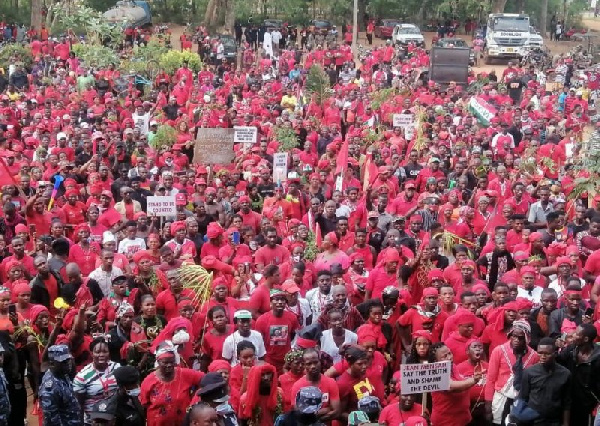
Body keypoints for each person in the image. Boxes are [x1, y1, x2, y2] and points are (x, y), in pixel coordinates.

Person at [140, 341, 204, 426]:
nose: (169, 365)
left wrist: (195, 396)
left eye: (171, 362)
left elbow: (205, 379)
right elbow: (144, 404)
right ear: (158, 362)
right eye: (165, 362)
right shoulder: (149, 381)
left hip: (182, 422)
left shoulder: (184, 374)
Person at [516, 337, 571, 426]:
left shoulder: (565, 374)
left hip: (554, 420)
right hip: (533, 420)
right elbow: (523, 397)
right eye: (540, 353)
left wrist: (566, 423)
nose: (543, 357)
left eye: (547, 354)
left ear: (555, 354)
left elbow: (567, 401)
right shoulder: (529, 372)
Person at [557, 324, 600, 425]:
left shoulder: (598, 358)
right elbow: (558, 361)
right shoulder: (571, 350)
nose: (573, 335)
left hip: (588, 404)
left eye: (577, 334)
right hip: (569, 400)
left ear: (585, 339)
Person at [39, 345, 83, 426]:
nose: (68, 364)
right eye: (63, 362)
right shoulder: (50, 387)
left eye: (68, 360)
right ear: (52, 363)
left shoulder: (63, 374)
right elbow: (51, 420)